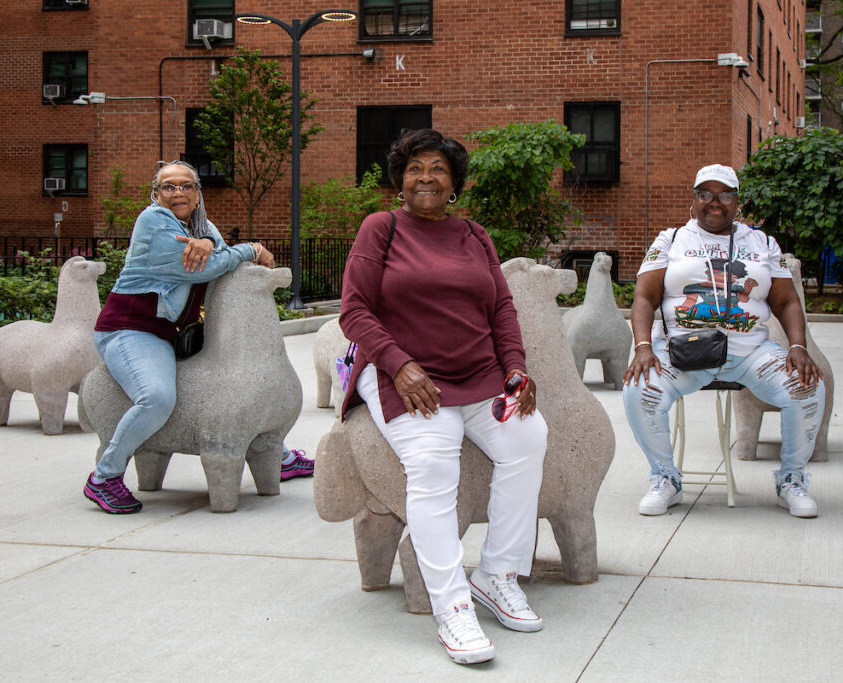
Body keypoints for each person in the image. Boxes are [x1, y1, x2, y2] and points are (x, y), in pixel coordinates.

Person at [338, 129, 549, 665]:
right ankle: (451, 604)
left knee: (530, 436)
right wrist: (401, 366)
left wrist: (517, 369)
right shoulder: (380, 229)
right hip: (402, 373)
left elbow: (501, 309)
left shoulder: (475, 236)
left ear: (454, 183)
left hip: (477, 372)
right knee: (433, 466)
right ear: (400, 180)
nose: (425, 177)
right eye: (414, 168)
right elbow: (355, 312)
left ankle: (496, 574)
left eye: (437, 169)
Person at [82, 160, 288, 514]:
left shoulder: (201, 225)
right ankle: (105, 475)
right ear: (156, 194)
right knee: (157, 398)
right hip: (131, 328)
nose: (178, 192)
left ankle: (279, 455)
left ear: (197, 193)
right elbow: (206, 266)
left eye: (186, 186)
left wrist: (209, 240)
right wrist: (250, 248)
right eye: (169, 187)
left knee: (237, 388)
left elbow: (219, 253)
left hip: (168, 333)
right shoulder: (153, 221)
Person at [623, 164, 825, 518]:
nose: (714, 203)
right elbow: (643, 297)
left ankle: (791, 479)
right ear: (695, 199)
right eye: (706, 194)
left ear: (736, 202)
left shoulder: (761, 243)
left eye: (724, 195)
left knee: (807, 386)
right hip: (685, 351)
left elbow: (787, 301)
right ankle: (665, 478)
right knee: (639, 388)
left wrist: (798, 346)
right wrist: (642, 347)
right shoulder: (671, 240)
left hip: (752, 353)